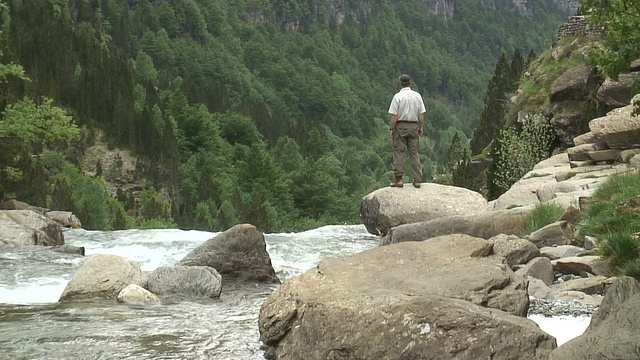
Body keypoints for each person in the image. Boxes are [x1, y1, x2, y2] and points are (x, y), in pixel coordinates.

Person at [387, 74, 426, 188]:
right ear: (410, 83)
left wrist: (391, 128)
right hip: (413, 126)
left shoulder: (397, 96)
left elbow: (394, 115)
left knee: (399, 152)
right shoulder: (417, 96)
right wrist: (421, 127)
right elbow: (421, 114)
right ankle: (417, 179)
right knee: (414, 152)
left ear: (400, 83)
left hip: (400, 126)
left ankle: (398, 179)